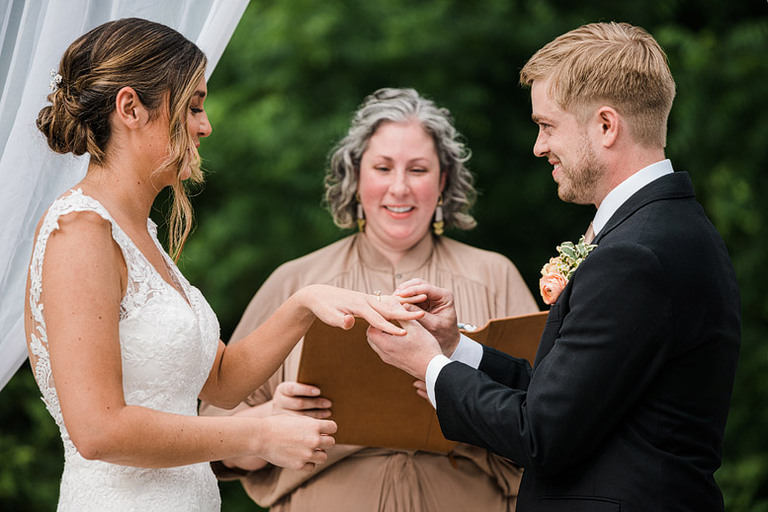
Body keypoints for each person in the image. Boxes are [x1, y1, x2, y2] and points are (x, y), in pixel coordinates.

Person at [25, 18, 421, 511]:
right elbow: (99, 429)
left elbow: (223, 381)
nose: (205, 125)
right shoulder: (80, 231)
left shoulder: (140, 234)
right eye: (192, 106)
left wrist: (305, 303)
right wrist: (256, 436)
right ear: (130, 108)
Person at [367, 22, 741, 512]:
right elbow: (571, 400)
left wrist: (426, 365)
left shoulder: (635, 255)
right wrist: (455, 348)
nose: (538, 147)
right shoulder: (667, 228)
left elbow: (540, 433)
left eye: (547, 125)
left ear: (606, 126)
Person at [200, 87, 539, 511]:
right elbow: (210, 441)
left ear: (443, 181)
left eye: (418, 169)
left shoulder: (495, 276)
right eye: (382, 167)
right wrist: (269, 419)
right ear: (355, 176)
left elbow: (543, 421)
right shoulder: (296, 282)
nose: (399, 188)